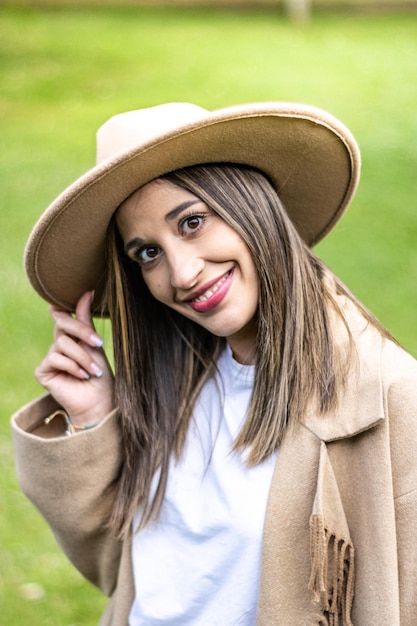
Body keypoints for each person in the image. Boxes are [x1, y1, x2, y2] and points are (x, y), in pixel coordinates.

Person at [11, 102, 417, 626]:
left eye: (193, 222)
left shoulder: (389, 399)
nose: (181, 272)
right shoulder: (178, 382)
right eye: (147, 254)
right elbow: (126, 570)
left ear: (253, 207)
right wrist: (92, 417)